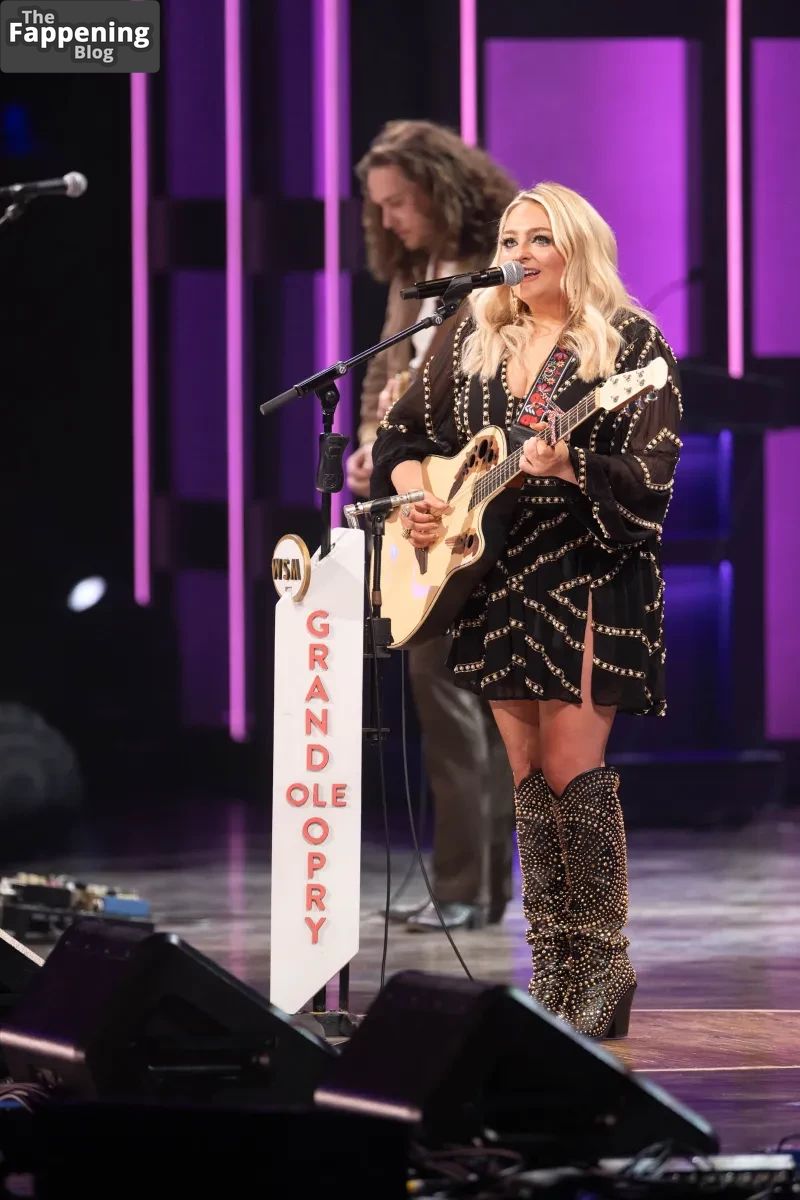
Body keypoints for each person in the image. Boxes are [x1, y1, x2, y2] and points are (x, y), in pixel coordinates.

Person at [371, 181, 682, 1038]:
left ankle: (603, 965)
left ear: (577, 247)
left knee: (572, 769)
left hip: (586, 569)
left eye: (539, 238)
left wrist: (570, 467)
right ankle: (554, 967)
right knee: (526, 782)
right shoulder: (471, 336)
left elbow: (652, 479)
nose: (520, 253)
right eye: (511, 240)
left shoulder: (628, 343)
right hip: (496, 573)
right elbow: (401, 436)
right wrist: (423, 497)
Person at [348, 120, 519, 932]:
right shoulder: (414, 272)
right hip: (416, 499)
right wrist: (368, 449)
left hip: (476, 498)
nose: (388, 220)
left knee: (457, 693)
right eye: (378, 206)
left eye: (400, 202)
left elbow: (509, 385)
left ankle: (467, 887)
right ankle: (473, 888)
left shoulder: (502, 264)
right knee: (447, 693)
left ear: (441, 188)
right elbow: (386, 373)